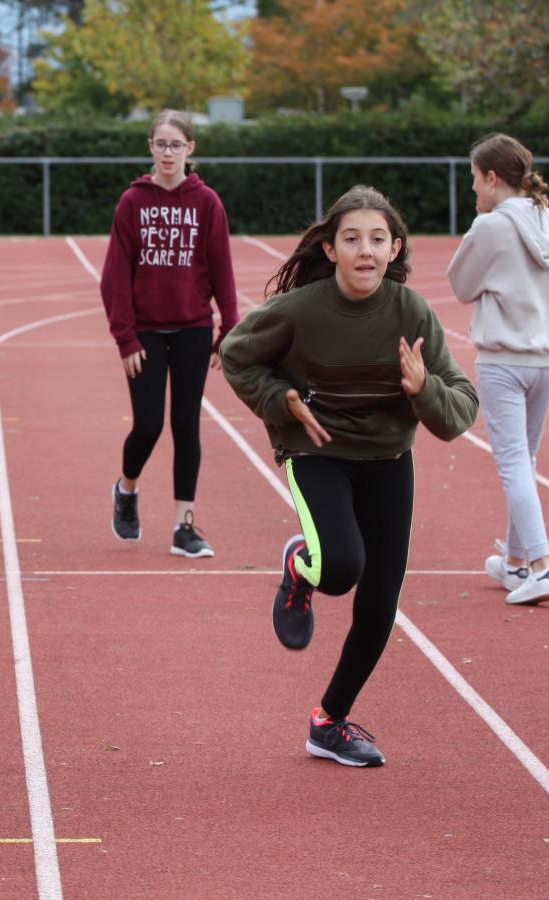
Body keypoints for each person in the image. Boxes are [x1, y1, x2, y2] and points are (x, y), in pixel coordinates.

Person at [220, 185, 478, 767]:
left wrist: (423, 389)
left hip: (388, 460)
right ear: (331, 250)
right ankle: (300, 564)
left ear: (395, 249)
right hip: (318, 451)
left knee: (381, 602)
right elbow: (238, 354)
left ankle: (329, 721)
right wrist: (280, 397)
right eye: (352, 239)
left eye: (378, 239)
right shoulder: (302, 309)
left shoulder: (411, 312)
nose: (366, 250)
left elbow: (460, 407)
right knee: (339, 570)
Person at [100, 109, 239, 558]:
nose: (167, 153)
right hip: (145, 332)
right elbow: (115, 277)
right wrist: (126, 338)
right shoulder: (132, 202)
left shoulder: (207, 203)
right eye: (160, 144)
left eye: (175, 145)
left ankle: (184, 525)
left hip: (194, 328)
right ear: (150, 148)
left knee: (186, 425)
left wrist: (229, 328)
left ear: (190, 149)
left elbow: (222, 270)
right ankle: (127, 489)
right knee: (148, 424)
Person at [447, 133, 549, 606]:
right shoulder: (546, 216)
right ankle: (516, 563)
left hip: (504, 360)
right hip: (544, 359)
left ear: (492, 177)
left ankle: (543, 567)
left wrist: (478, 226)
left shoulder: (489, 226)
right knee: (524, 461)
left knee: (512, 463)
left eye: (474, 179)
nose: (472, 190)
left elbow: (461, 284)